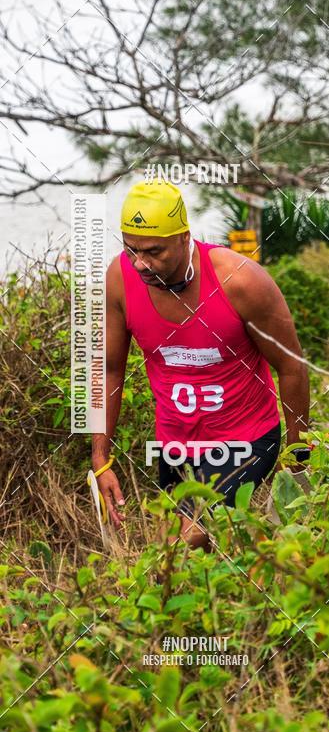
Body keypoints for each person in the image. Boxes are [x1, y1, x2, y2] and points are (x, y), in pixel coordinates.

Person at [91, 179, 310, 548]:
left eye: (154, 251)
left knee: (188, 537)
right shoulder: (120, 278)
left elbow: (292, 367)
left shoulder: (239, 280)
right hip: (175, 445)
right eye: (132, 250)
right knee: (174, 552)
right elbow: (110, 369)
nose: (141, 263)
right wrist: (101, 458)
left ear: (183, 237)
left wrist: (298, 458)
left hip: (247, 438)